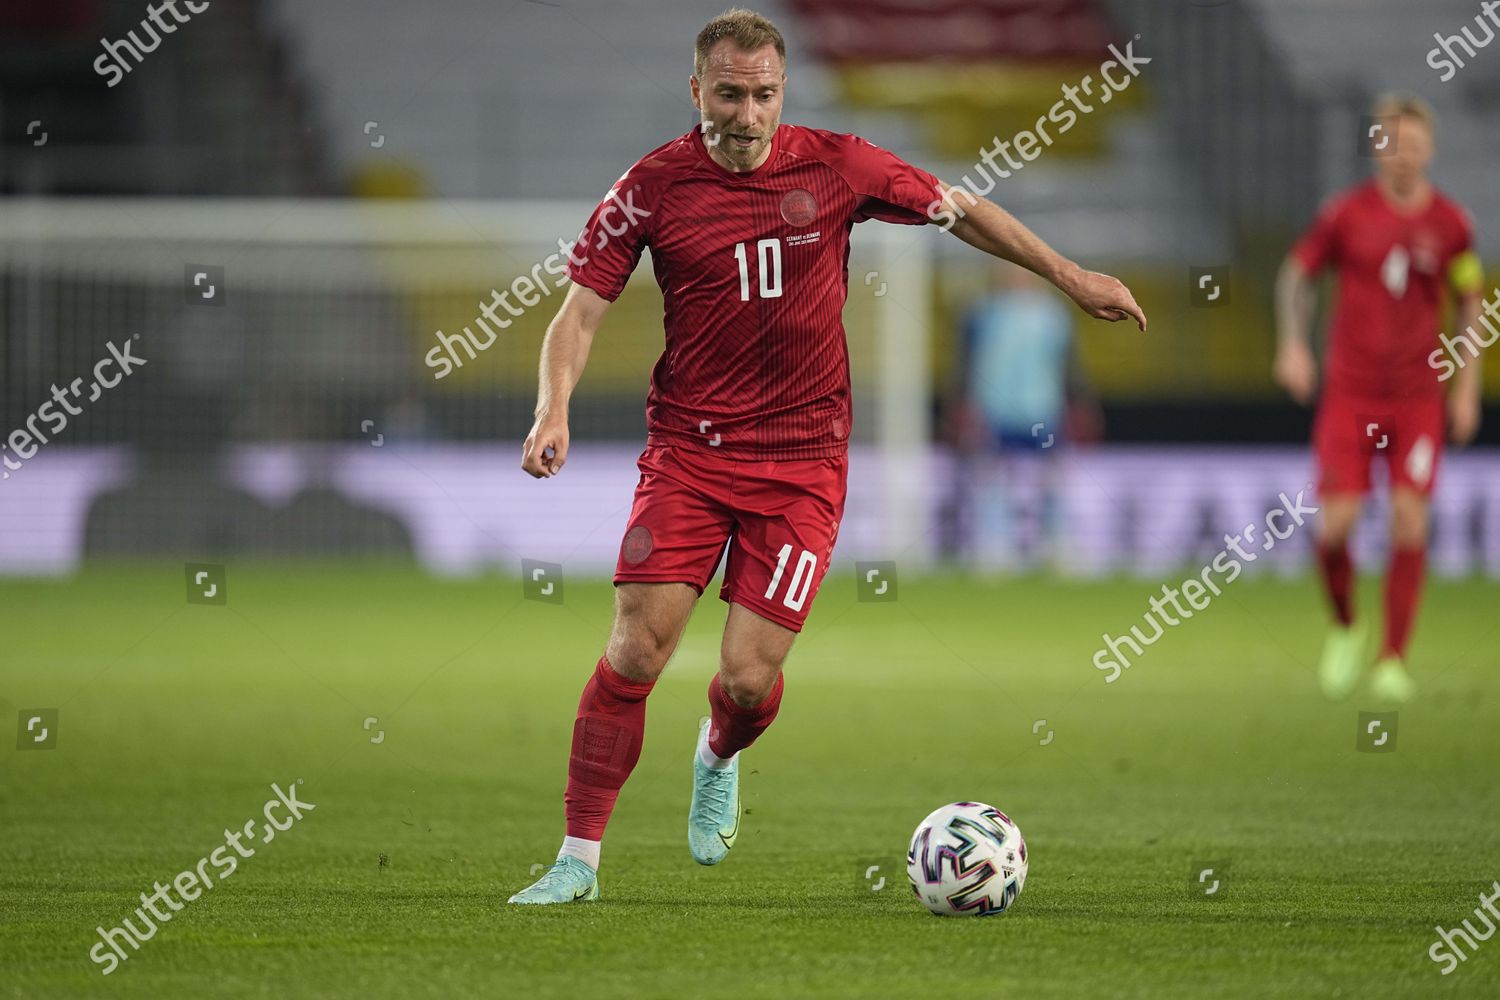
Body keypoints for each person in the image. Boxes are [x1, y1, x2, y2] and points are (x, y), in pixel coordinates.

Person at [510, 7, 1145, 905]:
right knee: (636, 650)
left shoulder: (837, 163)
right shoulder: (649, 188)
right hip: (690, 452)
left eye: (763, 95)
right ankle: (578, 859)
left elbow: (963, 212)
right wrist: (553, 410)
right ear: (697, 90)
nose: (746, 114)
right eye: (728, 95)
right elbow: (577, 314)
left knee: (745, 676)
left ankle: (717, 751)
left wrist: (1073, 279)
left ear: (782, 93)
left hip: (804, 462)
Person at [1275, 93, 1483, 704]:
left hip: (1417, 398)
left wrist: (1466, 387)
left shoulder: (1451, 224)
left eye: (1414, 143)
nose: (1403, 154)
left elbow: (1471, 302)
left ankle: (1393, 658)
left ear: (1430, 149)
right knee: (1335, 528)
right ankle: (1346, 624)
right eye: (1392, 142)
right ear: (1377, 148)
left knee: (1409, 518)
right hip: (1351, 395)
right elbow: (1296, 274)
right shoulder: (1345, 215)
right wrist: (1293, 345)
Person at [946, 261, 1099, 571]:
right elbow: (964, 362)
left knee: (1052, 478)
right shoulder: (981, 313)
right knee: (989, 477)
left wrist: (1081, 403)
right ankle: (993, 546)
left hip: (1042, 409)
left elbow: (1070, 364)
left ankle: (1055, 544)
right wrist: (959, 403)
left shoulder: (1053, 315)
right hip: (993, 410)